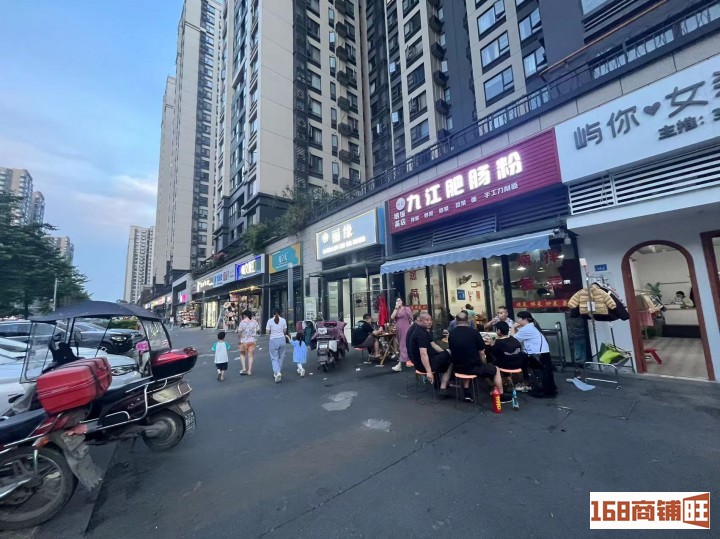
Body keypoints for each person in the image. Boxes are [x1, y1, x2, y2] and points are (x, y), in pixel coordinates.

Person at [448, 311, 503, 402]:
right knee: (496, 369)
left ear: (456, 320)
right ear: (468, 320)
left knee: (466, 360)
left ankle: (467, 392)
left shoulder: (452, 333)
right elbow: (481, 352)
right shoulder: (474, 332)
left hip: (457, 368)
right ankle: (501, 394)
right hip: (473, 368)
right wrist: (484, 364)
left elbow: (452, 349)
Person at [511, 311, 557, 398]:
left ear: (524, 319)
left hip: (537, 353)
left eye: (519, 318)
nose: (517, 320)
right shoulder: (531, 327)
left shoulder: (527, 328)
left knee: (539, 373)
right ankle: (549, 390)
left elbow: (513, 340)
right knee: (545, 373)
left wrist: (513, 328)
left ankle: (541, 391)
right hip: (542, 352)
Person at [408, 312, 453, 397]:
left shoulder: (424, 331)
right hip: (422, 366)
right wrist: (429, 372)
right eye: (426, 320)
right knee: (451, 355)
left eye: (430, 320)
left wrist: (444, 354)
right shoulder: (421, 334)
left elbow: (434, 345)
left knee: (448, 355)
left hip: (423, 361)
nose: (429, 322)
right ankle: (443, 387)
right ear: (420, 321)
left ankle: (442, 383)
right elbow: (423, 354)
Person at [489, 321, 530, 391]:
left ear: (498, 331)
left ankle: (499, 383)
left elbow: (494, 354)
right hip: (518, 364)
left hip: (506, 365)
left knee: (491, 363)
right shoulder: (515, 340)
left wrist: (492, 345)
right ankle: (508, 379)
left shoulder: (498, 343)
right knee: (505, 357)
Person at [391, 297, 414, 372]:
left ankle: (399, 365)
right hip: (398, 329)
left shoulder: (406, 309)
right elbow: (392, 317)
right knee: (402, 345)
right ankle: (410, 360)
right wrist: (396, 308)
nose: (398, 302)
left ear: (402, 302)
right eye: (397, 301)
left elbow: (412, 317)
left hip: (405, 328)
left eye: (399, 300)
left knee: (403, 346)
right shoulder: (396, 309)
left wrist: (411, 325)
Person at [266, 310, 289, 383]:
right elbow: (285, 331)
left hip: (273, 340)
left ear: (272, 313)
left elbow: (267, 332)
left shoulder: (270, 321)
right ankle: (278, 371)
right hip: (282, 340)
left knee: (274, 357)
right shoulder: (283, 320)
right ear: (280, 313)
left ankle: (277, 372)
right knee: (281, 357)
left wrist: (272, 331)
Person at [237, 310, 259, 376]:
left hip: (243, 341)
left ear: (245, 315)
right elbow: (258, 330)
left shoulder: (242, 322)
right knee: (250, 356)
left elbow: (239, 332)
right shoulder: (255, 322)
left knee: (242, 354)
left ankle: (244, 368)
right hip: (252, 340)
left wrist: (239, 339)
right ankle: (249, 370)